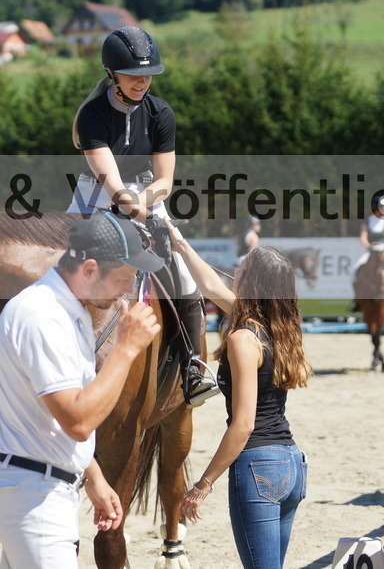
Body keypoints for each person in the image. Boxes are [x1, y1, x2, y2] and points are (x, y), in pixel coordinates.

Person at [0, 211, 163, 568]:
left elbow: (54, 421)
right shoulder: (42, 316)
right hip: (35, 498)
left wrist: (93, 476)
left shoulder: (70, 311)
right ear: (89, 270)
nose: (129, 290)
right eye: (124, 278)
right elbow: (78, 421)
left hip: (46, 487)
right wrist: (126, 349)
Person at [66, 25, 214, 407]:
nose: (142, 81)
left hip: (147, 192)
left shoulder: (161, 112)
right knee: (52, 261)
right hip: (96, 195)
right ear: (112, 73)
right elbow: (111, 183)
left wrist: (144, 201)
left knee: (181, 272)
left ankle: (193, 366)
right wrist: (130, 202)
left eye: (148, 74)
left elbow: (166, 181)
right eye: (133, 74)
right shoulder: (92, 114)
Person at [166, 221, 311, 569]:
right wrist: (179, 242)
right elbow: (210, 284)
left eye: (241, 267)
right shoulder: (282, 326)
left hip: (259, 465)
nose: (234, 269)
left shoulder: (243, 339)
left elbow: (243, 425)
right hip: (291, 464)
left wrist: (203, 484)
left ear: (252, 281)